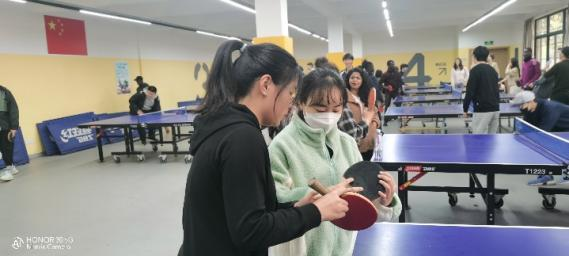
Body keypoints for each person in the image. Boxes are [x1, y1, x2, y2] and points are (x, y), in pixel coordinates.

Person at [178, 41, 357, 256]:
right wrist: (317, 212)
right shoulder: (243, 139)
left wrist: (297, 207)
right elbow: (250, 231)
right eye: (290, 93)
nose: (292, 103)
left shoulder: (225, 127)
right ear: (265, 85)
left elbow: (243, 210)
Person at [269, 68, 401, 256]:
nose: (328, 115)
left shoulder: (347, 143)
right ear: (300, 102)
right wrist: (320, 195)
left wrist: (383, 200)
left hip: (344, 248)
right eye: (320, 109)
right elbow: (274, 198)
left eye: (336, 109)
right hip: (300, 248)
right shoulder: (282, 145)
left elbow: (360, 198)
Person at [510, 91, 569, 185]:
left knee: (563, 150)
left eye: (521, 105)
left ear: (531, 101)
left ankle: (566, 176)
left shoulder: (550, 108)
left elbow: (542, 132)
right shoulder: (529, 109)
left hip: (565, 129)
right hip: (557, 128)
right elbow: (528, 127)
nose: (520, 108)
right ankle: (547, 176)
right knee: (545, 147)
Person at [339, 68, 381, 160]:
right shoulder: (343, 97)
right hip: (354, 143)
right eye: (352, 78)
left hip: (370, 142)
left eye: (358, 78)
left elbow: (375, 114)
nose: (355, 80)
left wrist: (373, 124)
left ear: (362, 80)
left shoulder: (367, 96)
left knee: (366, 167)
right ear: (348, 80)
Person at [463, 46, 500, 134]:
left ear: (475, 57)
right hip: (495, 109)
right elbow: (496, 90)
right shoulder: (493, 70)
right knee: (491, 139)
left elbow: (470, 91)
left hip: (482, 109)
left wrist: (465, 109)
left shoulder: (475, 70)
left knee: (478, 138)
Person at [0, 85, 20, 182]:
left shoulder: (4, 92)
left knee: (6, 148)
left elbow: (13, 109)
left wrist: (14, 127)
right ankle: (11, 167)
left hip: (4, 126)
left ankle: (9, 170)